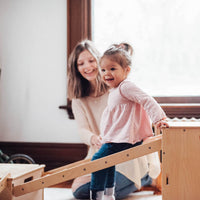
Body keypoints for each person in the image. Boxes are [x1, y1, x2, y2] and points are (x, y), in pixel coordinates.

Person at [67, 40, 163, 200]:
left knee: (93, 190)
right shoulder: (79, 99)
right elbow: (82, 129)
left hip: (126, 151)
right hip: (102, 149)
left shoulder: (118, 88)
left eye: (91, 60)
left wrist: (160, 119)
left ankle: (146, 176)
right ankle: (136, 180)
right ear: (75, 68)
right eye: (81, 63)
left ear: (99, 61)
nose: (87, 66)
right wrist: (93, 138)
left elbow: (145, 102)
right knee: (79, 190)